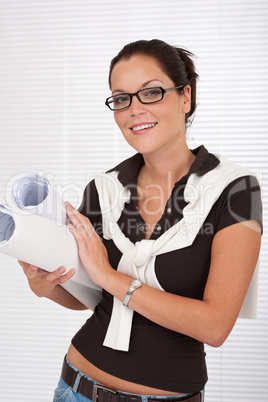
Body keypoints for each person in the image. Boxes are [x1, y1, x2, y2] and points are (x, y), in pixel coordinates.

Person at [19, 39, 262, 402]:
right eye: (121, 98)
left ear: (185, 98)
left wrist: (110, 276)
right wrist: (45, 286)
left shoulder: (235, 190)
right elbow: (91, 296)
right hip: (76, 387)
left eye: (151, 93)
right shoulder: (103, 189)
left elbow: (214, 326)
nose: (134, 110)